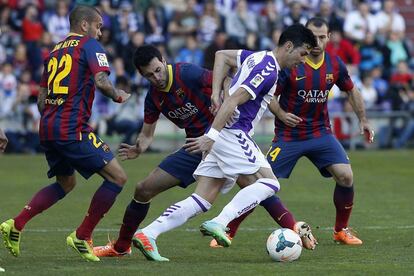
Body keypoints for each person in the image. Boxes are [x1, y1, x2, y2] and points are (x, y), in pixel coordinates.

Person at [92, 44, 316, 261]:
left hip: (219, 135)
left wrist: (221, 100)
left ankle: (292, 226)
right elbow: (147, 133)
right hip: (197, 146)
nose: (156, 78)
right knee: (144, 189)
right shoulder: (154, 97)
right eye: (149, 75)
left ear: (163, 61)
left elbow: (229, 80)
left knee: (257, 185)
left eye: (157, 70)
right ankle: (130, 242)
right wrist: (138, 147)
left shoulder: (186, 73)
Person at [219, 18, 375, 246]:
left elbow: (351, 90)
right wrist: (281, 114)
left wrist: (363, 119)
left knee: (346, 176)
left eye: (322, 37)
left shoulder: (335, 64)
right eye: (313, 37)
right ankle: (229, 230)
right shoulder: (292, 64)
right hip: (288, 136)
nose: (317, 42)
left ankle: (341, 231)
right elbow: (268, 93)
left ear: (329, 37)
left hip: (321, 133)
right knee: (259, 183)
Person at [0, 5, 130, 262]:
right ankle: (82, 236)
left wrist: (52, 117)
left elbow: (41, 98)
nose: (101, 32)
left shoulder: (53, 52)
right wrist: (118, 95)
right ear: (85, 25)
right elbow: (102, 81)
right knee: (117, 178)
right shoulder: (90, 46)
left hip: (48, 127)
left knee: (66, 183)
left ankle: (16, 225)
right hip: (72, 127)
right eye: (99, 26)